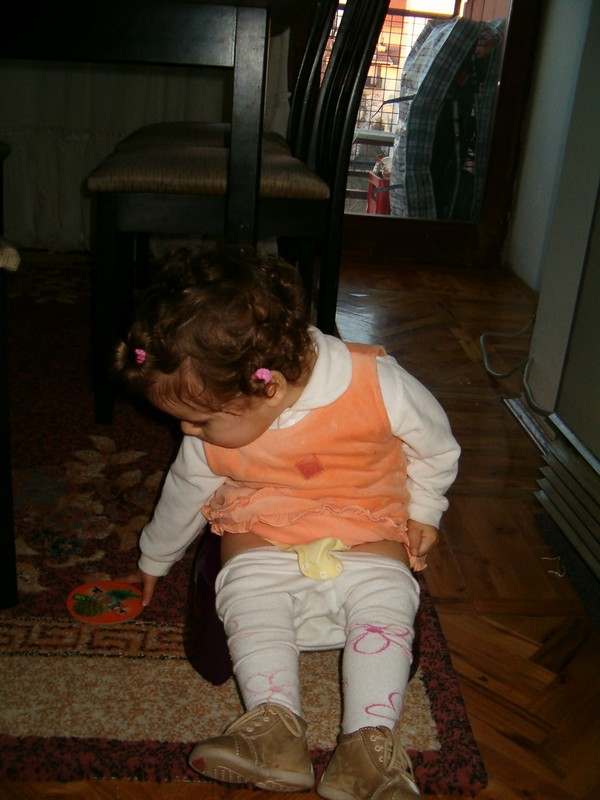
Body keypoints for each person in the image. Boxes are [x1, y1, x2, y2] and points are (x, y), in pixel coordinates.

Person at [113, 247, 460, 799]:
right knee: (248, 586)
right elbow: (183, 491)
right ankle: (274, 728)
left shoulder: (378, 383)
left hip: (364, 515)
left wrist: (425, 511)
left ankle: (369, 744)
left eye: (199, 421)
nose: (187, 433)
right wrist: (154, 557)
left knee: (387, 595)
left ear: (268, 386)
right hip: (264, 517)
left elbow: (437, 449)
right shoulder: (216, 423)